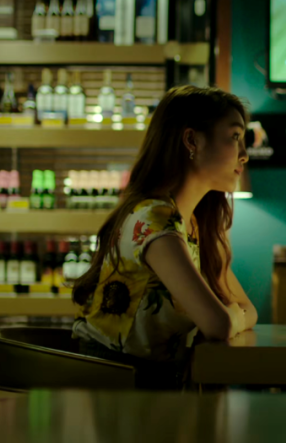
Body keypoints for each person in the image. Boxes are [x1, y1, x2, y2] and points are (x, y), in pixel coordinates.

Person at [72, 85, 258, 389]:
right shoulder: (155, 220)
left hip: (151, 383)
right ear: (192, 140)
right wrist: (229, 318)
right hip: (114, 385)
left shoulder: (193, 223)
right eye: (235, 137)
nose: (245, 155)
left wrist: (228, 318)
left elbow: (248, 310)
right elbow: (218, 324)